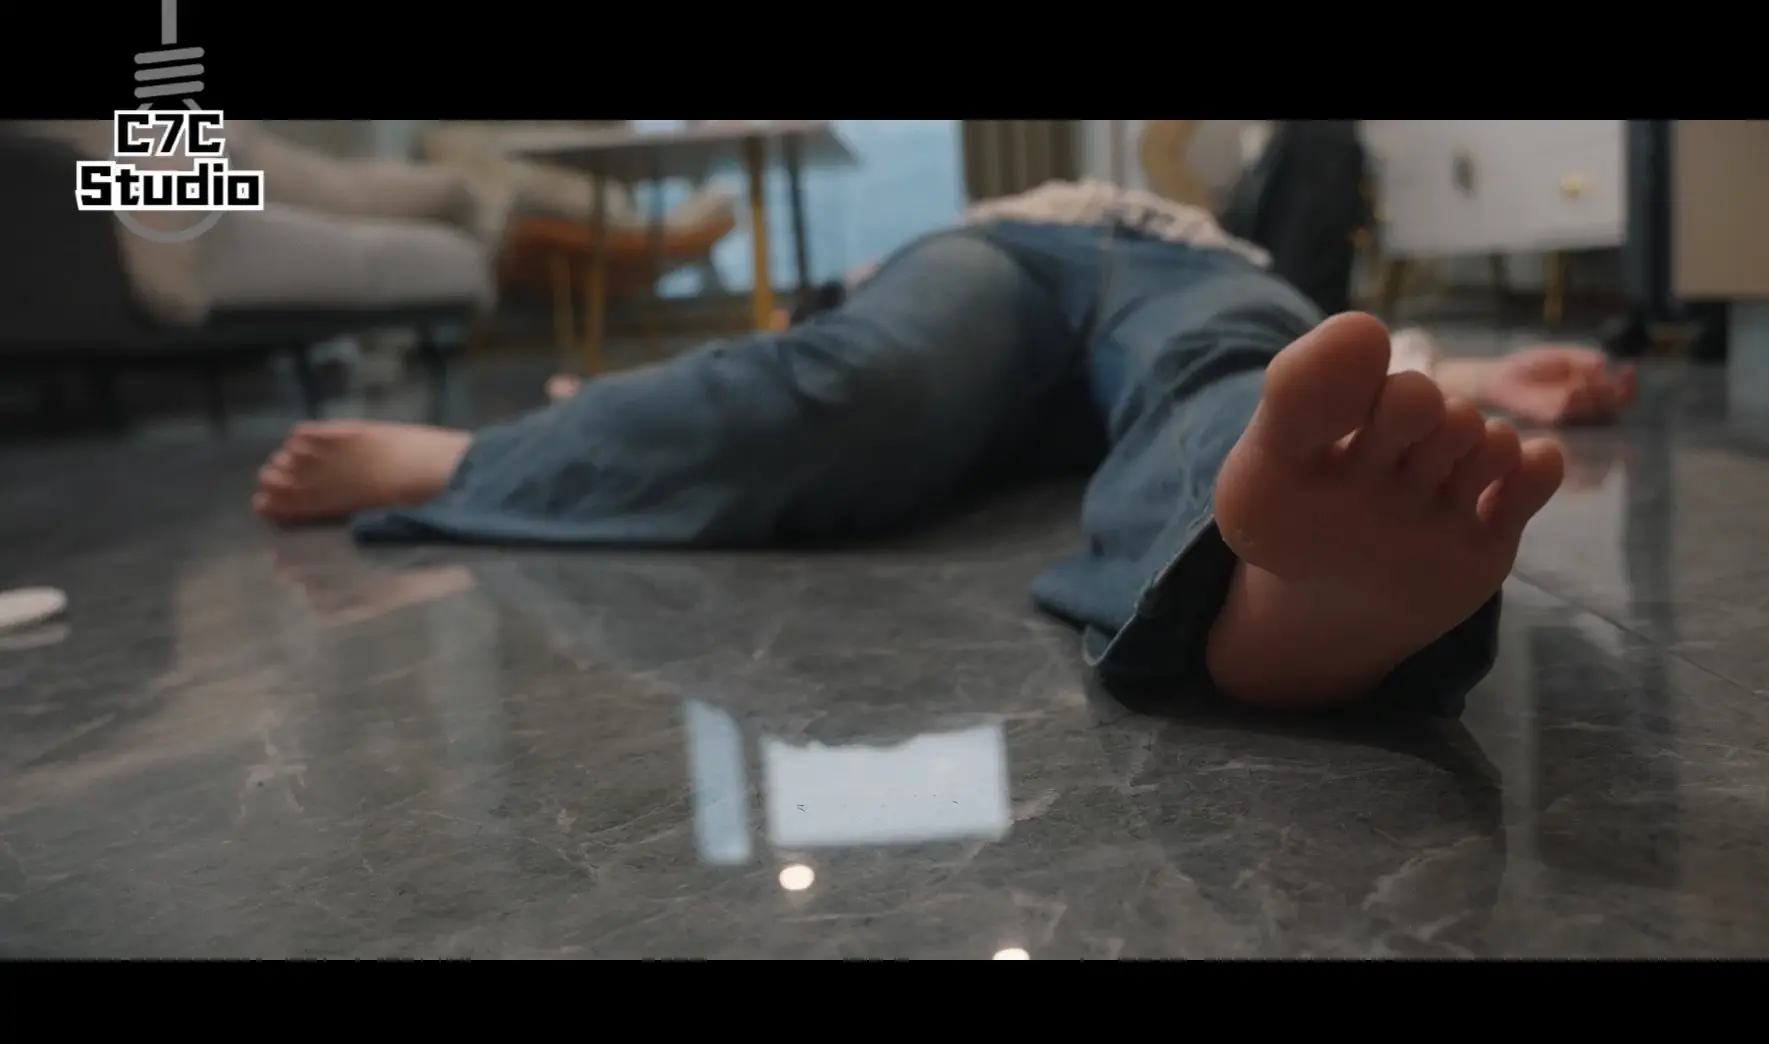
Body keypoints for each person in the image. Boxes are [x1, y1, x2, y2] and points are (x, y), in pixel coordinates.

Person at [252, 180, 1632, 715]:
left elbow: (1338, 375)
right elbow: (786, 360)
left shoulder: (1210, 236)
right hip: (999, 255)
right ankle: (473, 460)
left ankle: (1271, 596)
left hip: (1197, 274)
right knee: (866, 383)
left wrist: (1481, 371)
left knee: (1226, 373)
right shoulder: (963, 231)